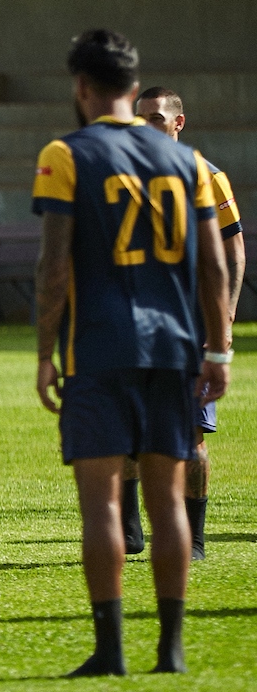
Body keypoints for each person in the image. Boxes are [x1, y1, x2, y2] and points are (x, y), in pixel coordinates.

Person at [33, 30, 231, 676]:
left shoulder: (66, 154)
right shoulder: (192, 162)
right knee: (169, 501)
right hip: (175, 348)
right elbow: (214, 267)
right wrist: (220, 348)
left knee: (100, 505)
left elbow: (55, 264)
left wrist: (44, 351)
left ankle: (111, 649)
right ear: (131, 85)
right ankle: (171, 649)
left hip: (99, 348)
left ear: (83, 89)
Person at [116, 86, 246, 560]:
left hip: (190, 326)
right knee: (129, 429)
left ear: (178, 123)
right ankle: (130, 533)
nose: (147, 126)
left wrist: (225, 313)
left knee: (191, 436)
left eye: (156, 118)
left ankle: (194, 539)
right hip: (133, 321)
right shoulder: (123, 174)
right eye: (140, 118)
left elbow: (233, 248)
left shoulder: (207, 176)